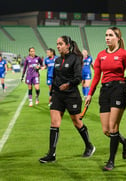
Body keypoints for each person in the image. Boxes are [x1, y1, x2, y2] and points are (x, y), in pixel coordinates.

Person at [85, 27, 126, 171]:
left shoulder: (124, 54)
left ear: (117, 38)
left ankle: (111, 161)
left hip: (119, 89)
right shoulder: (101, 55)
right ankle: (125, 142)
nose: (107, 38)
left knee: (113, 127)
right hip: (105, 91)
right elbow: (97, 76)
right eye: (106, 35)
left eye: (110, 35)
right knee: (106, 130)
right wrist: (90, 94)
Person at [39, 35, 96, 163]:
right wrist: (51, 94)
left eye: (60, 44)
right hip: (58, 96)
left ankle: (89, 146)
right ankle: (51, 154)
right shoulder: (57, 60)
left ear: (67, 45)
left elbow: (78, 78)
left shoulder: (75, 59)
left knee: (77, 122)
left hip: (71, 96)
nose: (58, 46)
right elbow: (54, 78)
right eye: (57, 44)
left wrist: (68, 84)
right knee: (54, 123)